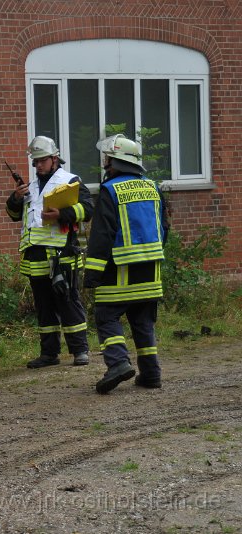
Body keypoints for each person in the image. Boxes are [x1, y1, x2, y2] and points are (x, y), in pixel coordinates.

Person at [84, 134, 168, 394]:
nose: (105, 164)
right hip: (150, 270)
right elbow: (164, 228)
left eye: (107, 159)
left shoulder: (110, 191)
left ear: (116, 162)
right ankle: (151, 373)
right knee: (142, 320)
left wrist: (92, 273)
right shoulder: (152, 187)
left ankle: (118, 363)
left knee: (106, 315)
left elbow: (101, 236)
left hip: (118, 271)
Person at [5, 136, 93, 369]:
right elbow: (15, 216)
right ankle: (49, 353)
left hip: (62, 253)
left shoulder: (70, 181)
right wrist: (15, 199)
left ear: (54, 159)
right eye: (35, 162)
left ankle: (80, 350)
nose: (38, 166)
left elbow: (88, 208)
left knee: (68, 300)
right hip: (35, 255)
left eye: (42, 161)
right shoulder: (30, 188)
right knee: (43, 304)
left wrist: (61, 214)